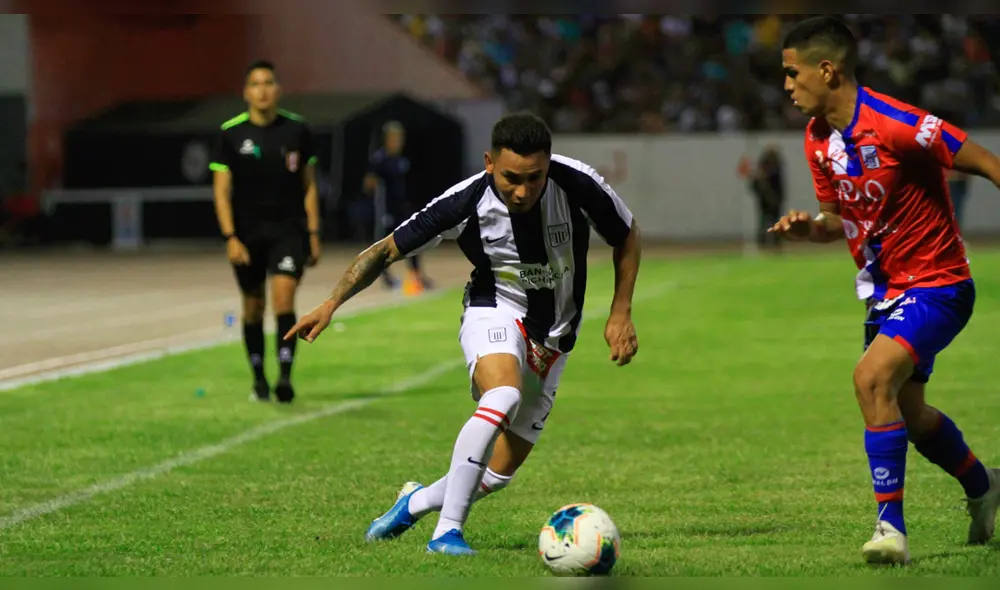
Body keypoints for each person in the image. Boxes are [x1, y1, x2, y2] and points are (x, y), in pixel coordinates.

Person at [285, 112, 641, 555]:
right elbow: (386, 251)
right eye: (512, 177)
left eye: (535, 178)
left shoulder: (577, 184)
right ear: (489, 162)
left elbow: (626, 236)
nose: (523, 190)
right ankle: (446, 533)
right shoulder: (465, 201)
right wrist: (332, 302)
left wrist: (620, 311)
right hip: (494, 310)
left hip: (555, 337)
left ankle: (414, 503)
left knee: (497, 474)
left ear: (549, 163)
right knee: (503, 396)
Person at [770, 16, 1000, 565]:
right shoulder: (818, 138)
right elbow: (835, 217)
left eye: (791, 72)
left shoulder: (898, 123)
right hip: (885, 293)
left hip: (939, 283)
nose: (786, 86)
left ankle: (891, 531)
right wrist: (812, 227)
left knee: (870, 379)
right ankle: (984, 486)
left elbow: (987, 162)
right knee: (910, 412)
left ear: (826, 70)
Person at [210, 59, 322, 403]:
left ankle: (285, 378)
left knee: (284, 299)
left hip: (288, 231)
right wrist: (230, 238)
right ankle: (258, 378)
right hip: (247, 235)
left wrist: (314, 232)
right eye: (255, 84)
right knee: (253, 308)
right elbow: (221, 192)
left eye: (268, 83)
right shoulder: (231, 133)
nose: (262, 90)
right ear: (246, 92)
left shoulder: (297, 131)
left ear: (278, 90)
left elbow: (309, 186)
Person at [364, 120, 434, 292]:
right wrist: (375, 187)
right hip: (386, 211)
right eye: (394, 138)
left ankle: (416, 275)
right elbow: (368, 183)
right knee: (384, 246)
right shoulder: (379, 159)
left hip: (402, 208)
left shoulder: (402, 160)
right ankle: (385, 277)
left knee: (414, 239)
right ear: (387, 139)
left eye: (400, 138)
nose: (398, 142)